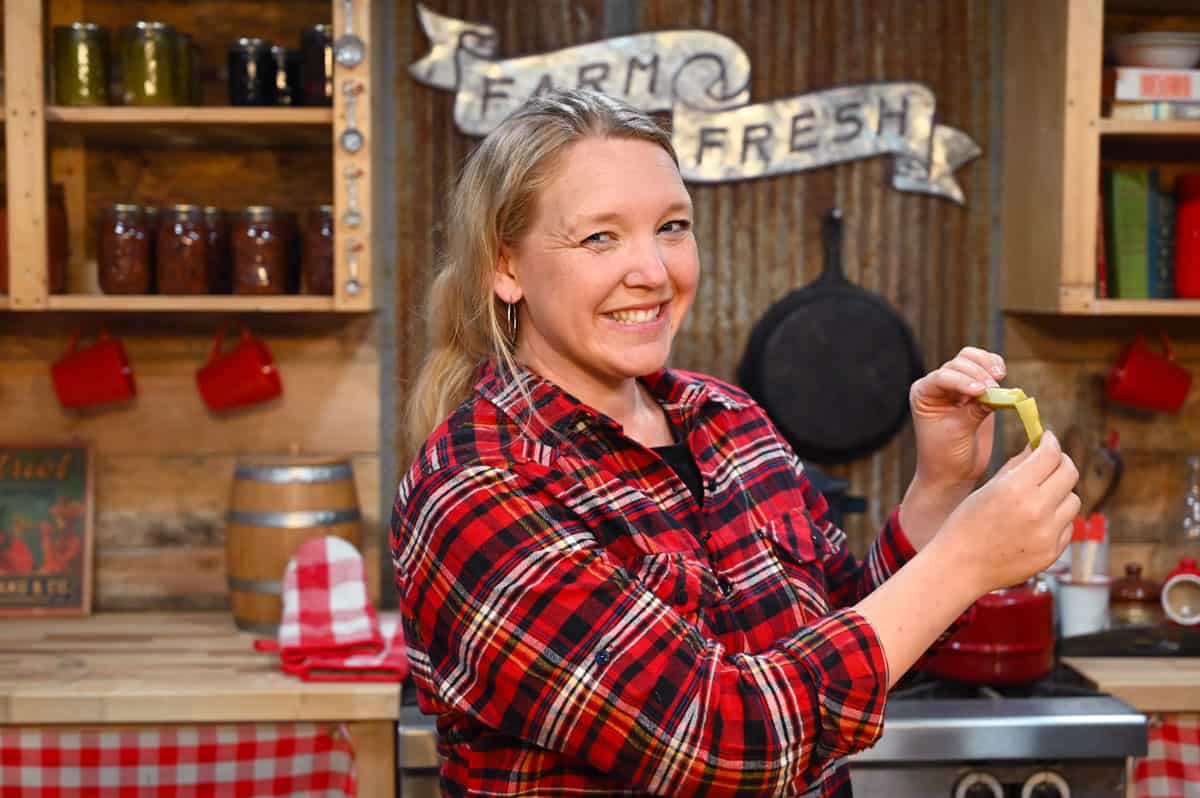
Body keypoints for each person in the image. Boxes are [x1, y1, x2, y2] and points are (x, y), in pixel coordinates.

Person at [392, 88, 1079, 797]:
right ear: (505, 267)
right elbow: (723, 741)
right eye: (601, 236)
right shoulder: (476, 487)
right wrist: (965, 561)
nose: (654, 273)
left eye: (671, 227)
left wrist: (938, 488)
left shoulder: (727, 418)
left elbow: (852, 635)